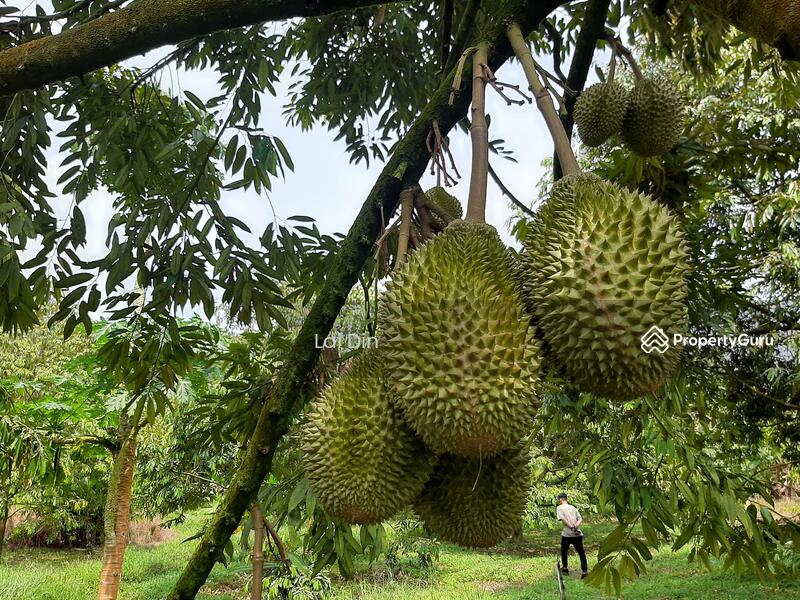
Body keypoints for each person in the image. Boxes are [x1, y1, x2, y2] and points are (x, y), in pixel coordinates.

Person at [556, 492, 588, 578]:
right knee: (581, 553)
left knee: (564, 551)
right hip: (577, 533)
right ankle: (585, 572)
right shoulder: (573, 508)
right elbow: (580, 518)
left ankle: (565, 568)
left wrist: (571, 527)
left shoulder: (559, 508)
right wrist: (576, 526)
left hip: (567, 534)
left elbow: (562, 519)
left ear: (560, 499)